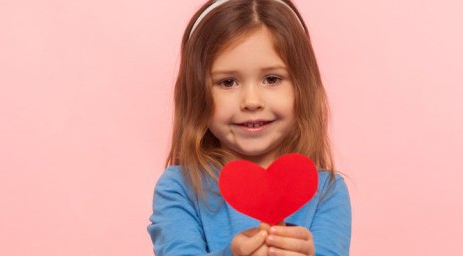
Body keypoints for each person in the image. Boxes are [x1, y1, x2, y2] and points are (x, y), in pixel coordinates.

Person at [147, 0, 351, 255]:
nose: (251, 102)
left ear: (302, 88)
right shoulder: (179, 188)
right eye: (228, 82)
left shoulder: (328, 192)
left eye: (272, 79)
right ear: (197, 94)